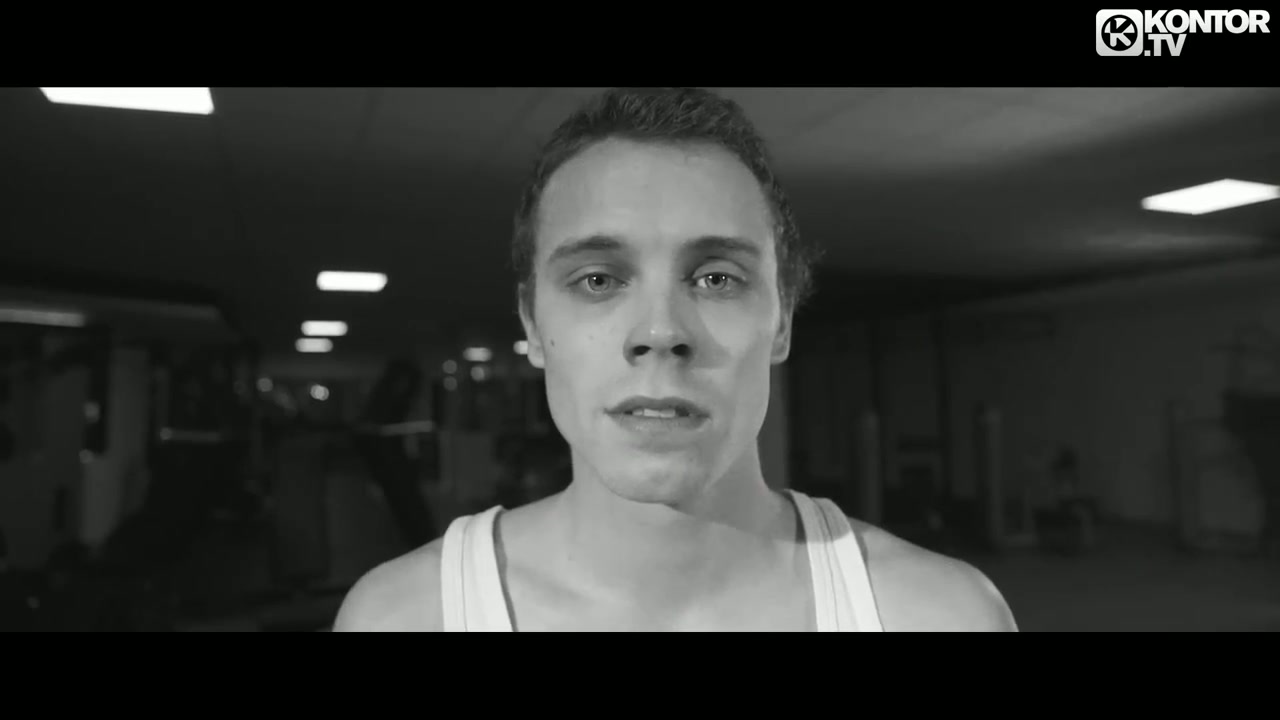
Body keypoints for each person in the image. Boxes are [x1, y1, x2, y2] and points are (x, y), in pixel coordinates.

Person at [334, 87, 1018, 631]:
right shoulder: (404, 617)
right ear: (533, 325)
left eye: (717, 278)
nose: (660, 332)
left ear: (782, 321)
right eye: (597, 279)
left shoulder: (938, 615)